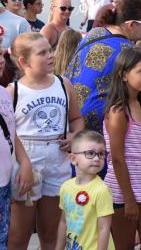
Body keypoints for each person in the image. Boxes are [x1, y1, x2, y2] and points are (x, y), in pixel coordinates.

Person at [8, 33, 84, 249]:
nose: (50, 55)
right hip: (26, 161)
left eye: (50, 50)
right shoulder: (13, 91)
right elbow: (8, 134)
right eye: (42, 53)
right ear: (24, 61)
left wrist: (74, 135)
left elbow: (76, 118)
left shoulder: (63, 83)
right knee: (18, 236)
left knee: (52, 233)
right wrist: (23, 164)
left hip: (57, 158)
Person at [64, 0, 141, 154]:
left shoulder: (94, 33)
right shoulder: (129, 52)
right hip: (99, 129)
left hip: (71, 119)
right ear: (131, 24)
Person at [103, 47, 141, 249]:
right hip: (122, 191)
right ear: (124, 75)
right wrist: (128, 199)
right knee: (124, 246)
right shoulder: (119, 111)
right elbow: (117, 158)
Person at [56, 130, 114, 250]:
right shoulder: (66, 187)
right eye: (90, 153)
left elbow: (104, 229)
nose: (97, 158)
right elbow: (63, 222)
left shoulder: (102, 190)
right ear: (73, 159)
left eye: (101, 154)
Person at [0, 44, 33, 249]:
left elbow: (10, 132)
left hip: (3, 183)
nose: (2, 60)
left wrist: (25, 163)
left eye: (1, 54)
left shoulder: (3, 93)